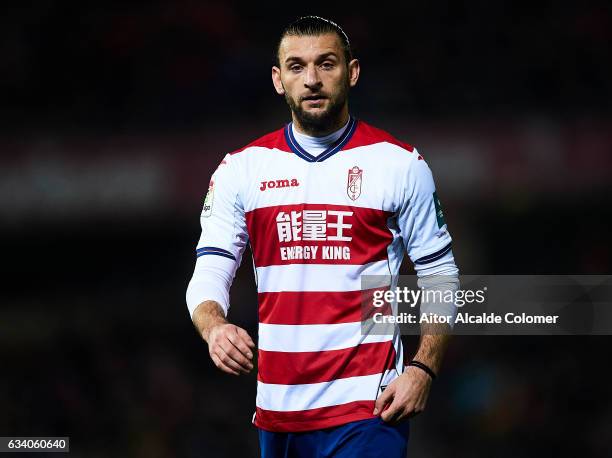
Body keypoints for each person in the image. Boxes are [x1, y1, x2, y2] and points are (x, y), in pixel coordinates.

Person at [186, 15, 460, 458]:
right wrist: (214, 327)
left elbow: (440, 275)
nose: (311, 79)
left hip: (369, 409)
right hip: (277, 412)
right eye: (296, 67)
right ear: (278, 80)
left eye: (326, 64)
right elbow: (210, 269)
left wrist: (424, 367)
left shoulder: (400, 164)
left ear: (351, 72)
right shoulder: (241, 169)